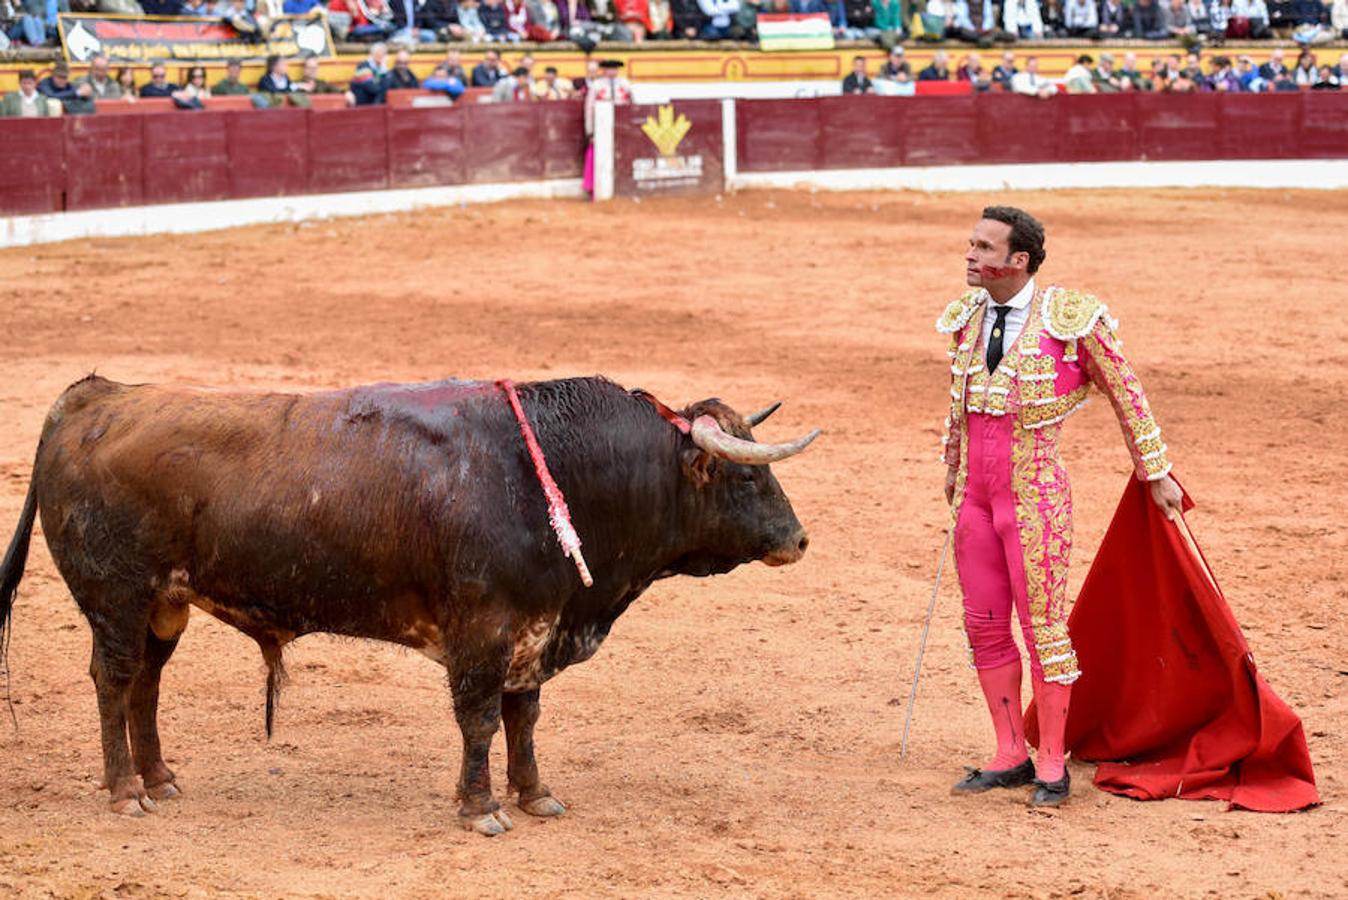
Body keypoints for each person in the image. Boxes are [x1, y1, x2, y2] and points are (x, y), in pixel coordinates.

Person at [937, 206, 1183, 808]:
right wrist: (951, 465)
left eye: (983, 247)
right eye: (971, 244)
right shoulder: (966, 318)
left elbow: (1128, 391)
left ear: (1016, 261)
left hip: (1036, 495)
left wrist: (1156, 471)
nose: (970, 255)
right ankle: (1009, 753)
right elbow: (959, 403)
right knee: (983, 623)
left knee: (1043, 628)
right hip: (974, 498)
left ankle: (1052, 760)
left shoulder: (1070, 320)